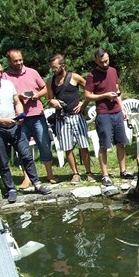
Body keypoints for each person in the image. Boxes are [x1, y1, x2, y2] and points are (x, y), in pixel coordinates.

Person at [0, 59, 51, 203]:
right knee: (3, 162)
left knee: (26, 155)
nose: (0, 74)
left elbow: (17, 102)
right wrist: (0, 120)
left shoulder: (8, 84)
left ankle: (37, 184)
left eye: (1, 71)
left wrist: (20, 114)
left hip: (14, 126)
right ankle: (11, 189)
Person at [3, 49, 57, 187]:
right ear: (9, 61)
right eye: (16, 61)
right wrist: (18, 96)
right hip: (19, 118)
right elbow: (3, 96)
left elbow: (45, 88)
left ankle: (49, 174)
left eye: (21, 59)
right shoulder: (5, 76)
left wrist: (37, 95)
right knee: (23, 148)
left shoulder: (32, 72)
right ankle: (27, 177)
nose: (19, 62)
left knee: (44, 144)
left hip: (37, 114)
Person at [84, 47, 135, 186]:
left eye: (106, 61)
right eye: (101, 62)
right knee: (104, 145)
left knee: (121, 142)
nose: (104, 64)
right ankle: (105, 175)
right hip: (103, 113)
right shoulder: (92, 75)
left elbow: (117, 90)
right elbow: (87, 95)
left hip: (117, 111)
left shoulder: (113, 71)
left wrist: (122, 108)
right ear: (96, 61)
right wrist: (104, 96)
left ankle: (123, 171)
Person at [45, 54, 93, 184]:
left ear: (63, 66)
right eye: (51, 68)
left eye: (55, 67)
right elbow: (49, 99)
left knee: (83, 145)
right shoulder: (50, 81)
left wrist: (83, 104)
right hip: (62, 118)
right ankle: (75, 173)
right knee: (68, 147)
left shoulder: (74, 77)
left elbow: (89, 90)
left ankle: (89, 172)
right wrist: (52, 102)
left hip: (77, 117)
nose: (53, 70)